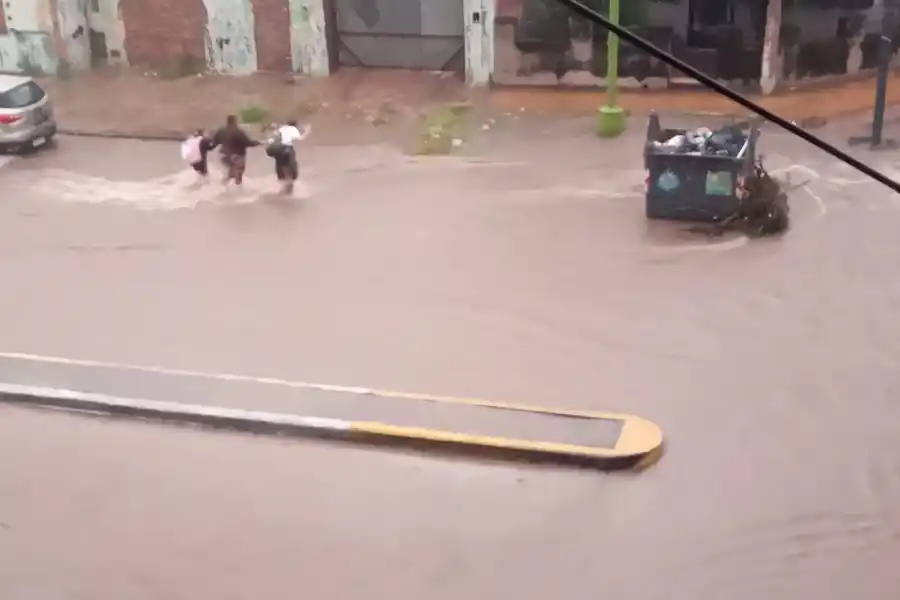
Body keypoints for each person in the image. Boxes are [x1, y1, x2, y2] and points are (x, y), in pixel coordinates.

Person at [211, 115, 260, 187]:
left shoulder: (221, 131)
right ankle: (238, 188)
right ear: (235, 121)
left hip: (224, 155)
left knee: (232, 170)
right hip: (237, 155)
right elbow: (247, 142)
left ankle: (223, 185)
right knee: (239, 171)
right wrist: (256, 143)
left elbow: (214, 142)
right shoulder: (238, 131)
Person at [266, 120, 309, 195]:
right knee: (291, 168)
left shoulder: (281, 128)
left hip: (278, 150)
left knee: (281, 167)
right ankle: (289, 188)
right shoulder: (292, 129)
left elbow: (271, 139)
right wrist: (307, 131)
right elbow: (300, 138)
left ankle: (282, 185)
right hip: (287, 149)